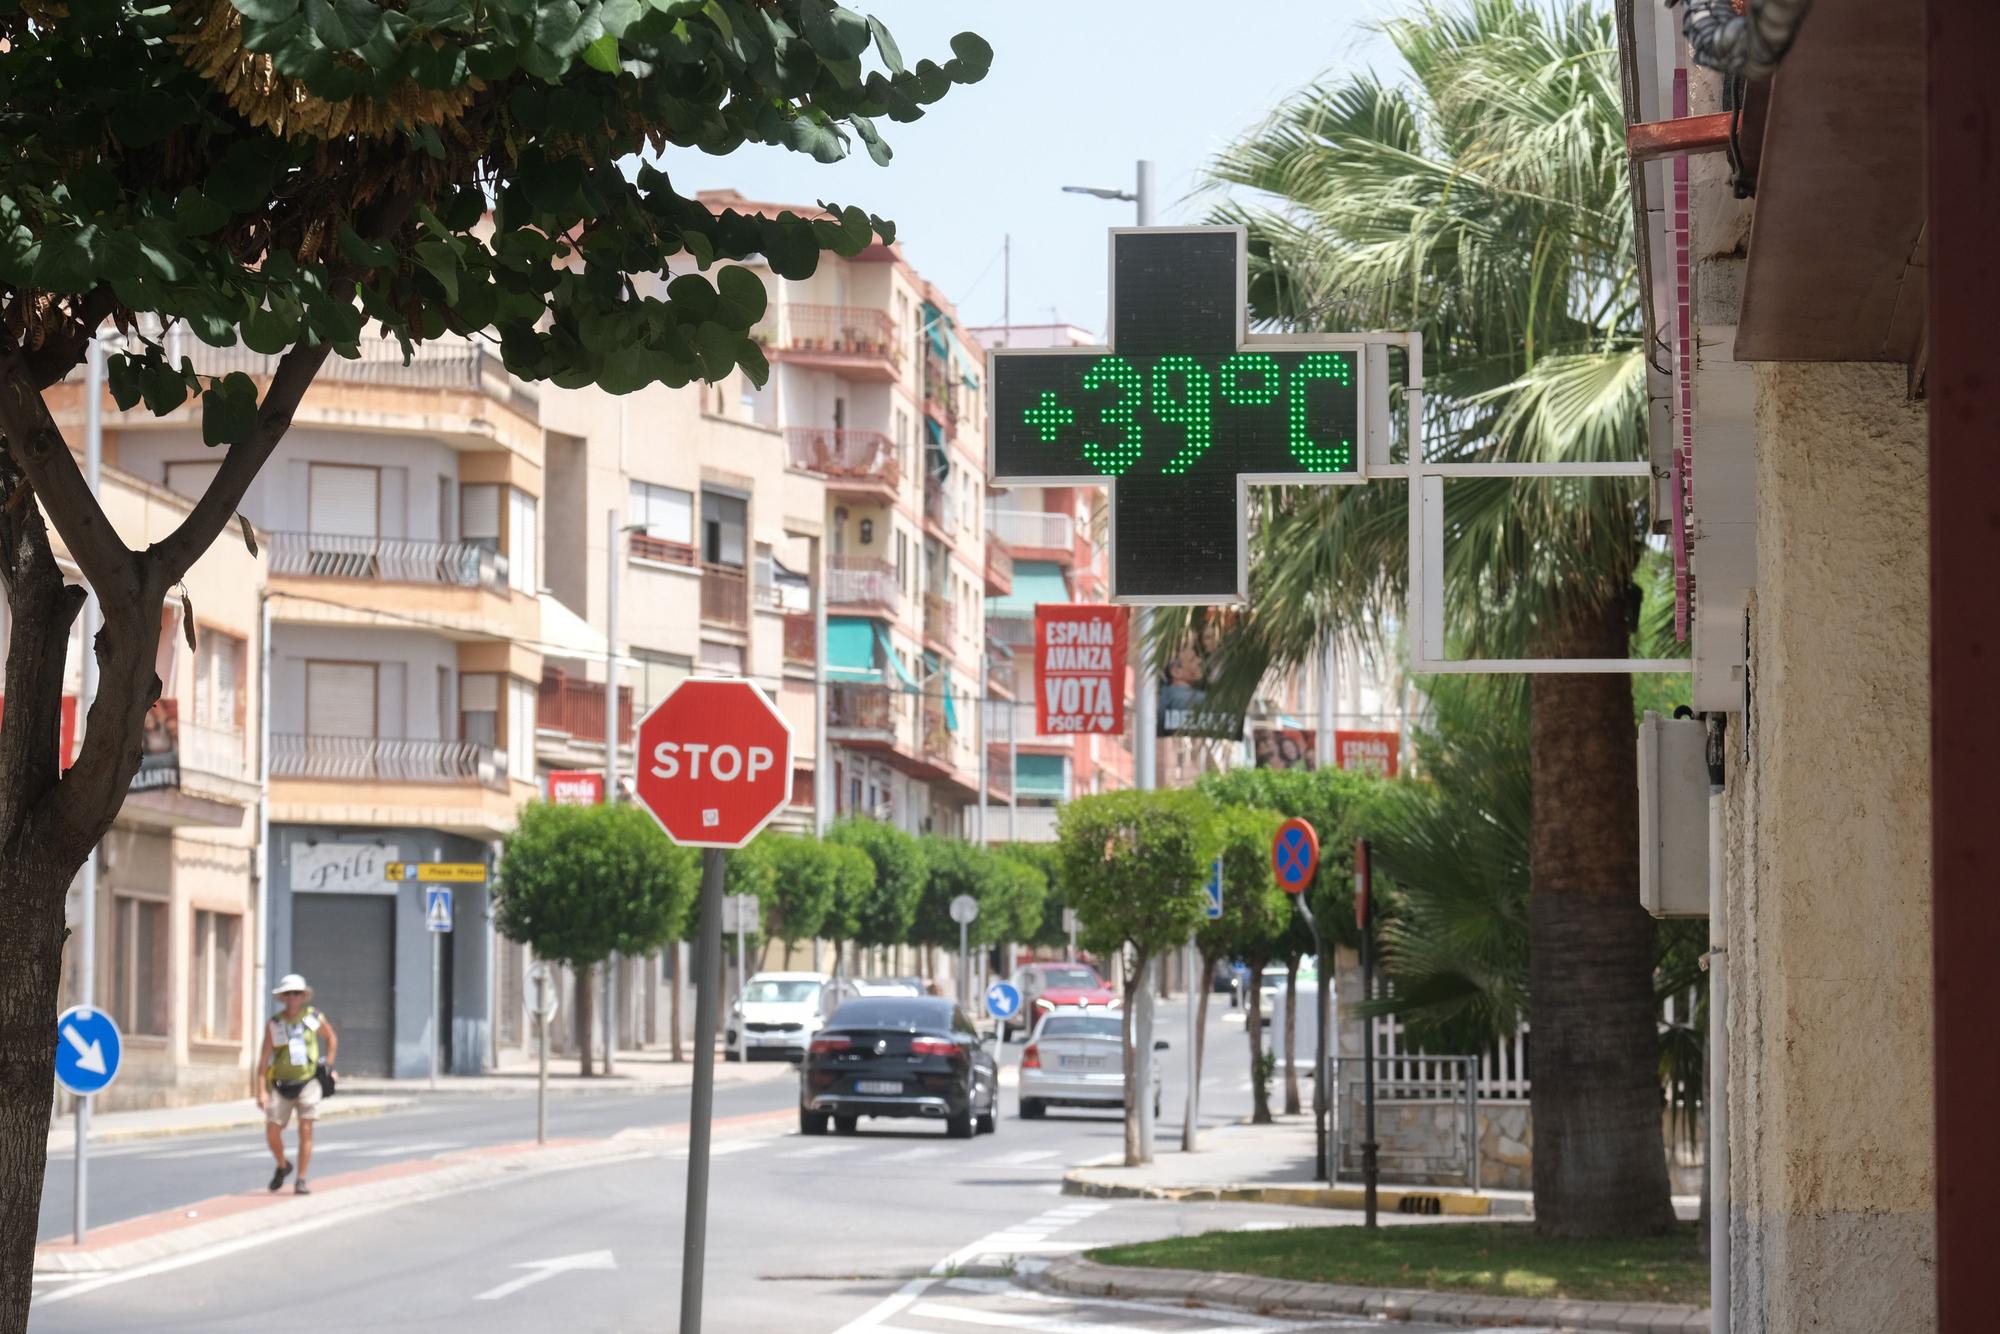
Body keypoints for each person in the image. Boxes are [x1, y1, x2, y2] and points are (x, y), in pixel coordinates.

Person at [255, 974, 337, 1195]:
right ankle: (283, 1165)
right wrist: (261, 1090)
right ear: (283, 997)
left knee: (306, 1128)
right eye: (289, 994)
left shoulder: (312, 1017)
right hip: (281, 1083)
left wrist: (328, 1066)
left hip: (308, 1081)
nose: (293, 997)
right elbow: (264, 1059)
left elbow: (331, 1038)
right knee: (272, 1132)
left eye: (297, 994)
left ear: (303, 997)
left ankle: (301, 1179)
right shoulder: (275, 1024)